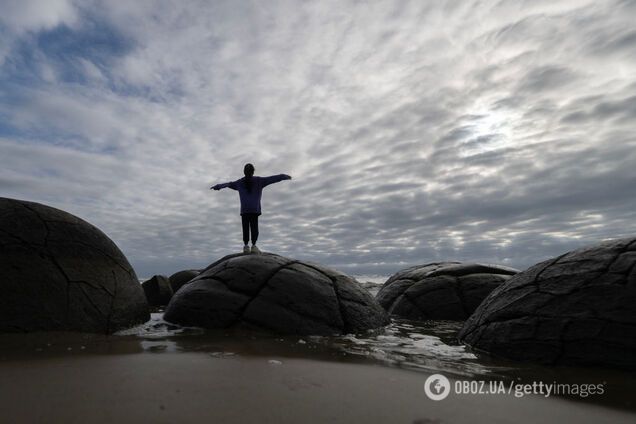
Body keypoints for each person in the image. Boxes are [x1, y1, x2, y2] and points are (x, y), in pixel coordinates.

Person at [211, 163, 292, 254]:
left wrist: (218, 186)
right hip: (254, 210)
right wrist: (283, 176)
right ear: (253, 172)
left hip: (245, 210)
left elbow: (228, 184)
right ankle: (253, 246)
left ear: (244, 172)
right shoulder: (259, 181)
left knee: (245, 228)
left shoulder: (239, 182)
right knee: (254, 228)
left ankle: (246, 246)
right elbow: (272, 179)